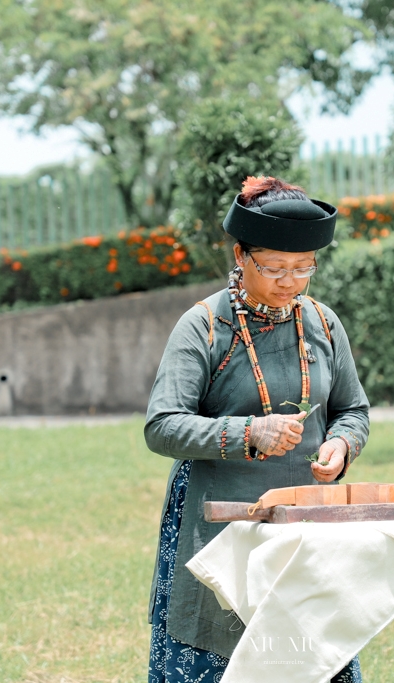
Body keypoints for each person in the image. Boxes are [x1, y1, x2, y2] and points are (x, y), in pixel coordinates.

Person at [144, 176, 371, 682]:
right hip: (221, 522)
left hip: (307, 524)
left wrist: (340, 443)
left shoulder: (323, 323)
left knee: (309, 646)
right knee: (221, 646)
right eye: (274, 267)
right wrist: (249, 433)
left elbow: (353, 409)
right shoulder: (204, 326)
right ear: (241, 255)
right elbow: (162, 425)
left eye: (302, 268)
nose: (289, 282)